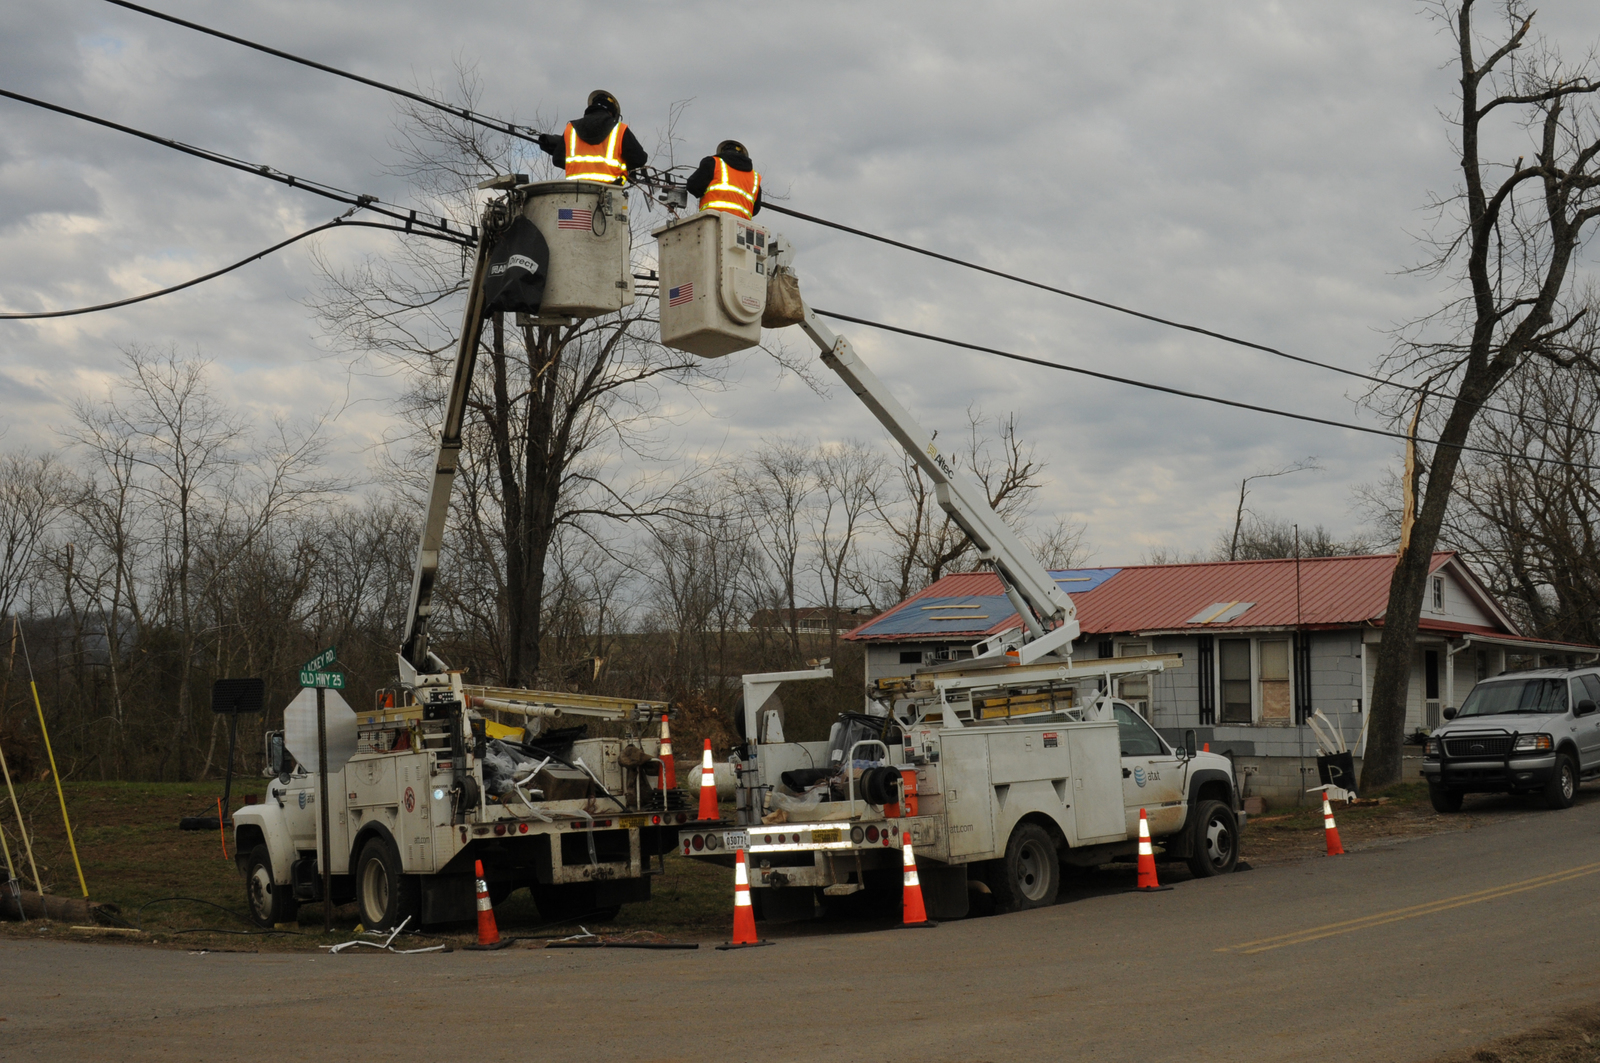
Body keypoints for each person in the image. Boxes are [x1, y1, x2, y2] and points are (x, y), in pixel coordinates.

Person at [537, 90, 648, 184]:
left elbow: (557, 159)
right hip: (610, 195)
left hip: (575, 194)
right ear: (612, 113)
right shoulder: (620, 129)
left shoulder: (571, 128)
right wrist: (622, 168)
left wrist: (579, 167)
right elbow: (640, 159)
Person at [686, 140, 762, 218]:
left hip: (713, 220)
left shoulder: (714, 162)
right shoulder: (755, 177)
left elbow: (693, 186)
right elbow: (755, 209)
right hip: (740, 226)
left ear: (722, 152)